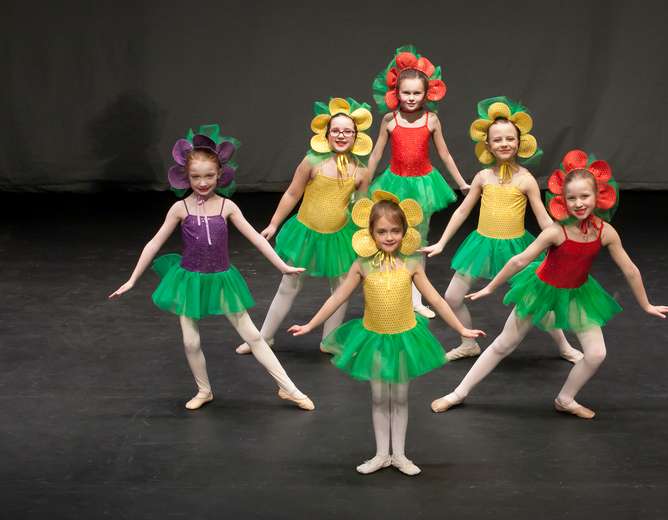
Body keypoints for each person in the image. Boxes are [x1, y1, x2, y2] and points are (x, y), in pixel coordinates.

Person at [431, 150, 668, 419]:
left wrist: (646, 304)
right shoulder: (556, 232)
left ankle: (565, 398)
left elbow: (630, 270)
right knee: (503, 345)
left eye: (584, 196)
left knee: (595, 354)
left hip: (577, 293)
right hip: (540, 289)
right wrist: (491, 287)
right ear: (563, 201)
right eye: (572, 198)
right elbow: (519, 261)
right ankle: (458, 393)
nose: (579, 203)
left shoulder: (606, 233)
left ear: (598, 197)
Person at [110, 125, 314, 411]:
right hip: (189, 280)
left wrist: (282, 266)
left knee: (253, 336)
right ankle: (204, 390)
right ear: (186, 177)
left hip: (221, 279)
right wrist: (133, 279)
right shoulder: (180, 209)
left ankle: (289, 388)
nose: (203, 183)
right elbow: (154, 244)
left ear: (220, 175)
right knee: (191, 343)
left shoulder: (227, 207)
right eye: (196, 177)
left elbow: (256, 238)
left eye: (209, 176)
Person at [289, 191, 484, 474]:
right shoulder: (362, 265)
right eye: (382, 231)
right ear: (371, 233)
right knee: (380, 398)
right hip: (374, 340)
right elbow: (337, 298)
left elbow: (438, 300)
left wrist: (461, 328)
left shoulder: (412, 264)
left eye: (395, 230)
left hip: (405, 338)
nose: (389, 237)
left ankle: (400, 455)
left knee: (401, 397)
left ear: (405, 232)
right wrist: (311, 324)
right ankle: (382, 454)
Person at [421, 97, 581, 363]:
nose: (504, 144)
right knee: (452, 296)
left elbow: (542, 217)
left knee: (535, 300)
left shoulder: (526, 179)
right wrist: (442, 242)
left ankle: (564, 346)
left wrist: (561, 243)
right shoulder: (483, 178)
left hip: (516, 248)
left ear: (520, 142)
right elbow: (462, 211)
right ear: (488, 145)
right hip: (482, 245)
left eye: (510, 138)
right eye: (498, 140)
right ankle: (468, 342)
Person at [235, 98, 373, 354]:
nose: (341, 135)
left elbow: (361, 207)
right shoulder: (312, 161)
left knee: (341, 287)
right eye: (336, 131)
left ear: (356, 136)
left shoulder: (361, 172)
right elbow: (292, 194)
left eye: (347, 131)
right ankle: (264, 337)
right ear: (326, 134)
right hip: (306, 233)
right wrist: (274, 223)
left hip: (338, 236)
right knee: (290, 283)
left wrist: (366, 236)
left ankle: (330, 340)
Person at [367, 45, 470, 318]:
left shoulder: (431, 119)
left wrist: (461, 182)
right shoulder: (390, 120)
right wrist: (363, 184)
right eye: (406, 93)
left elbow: (445, 154)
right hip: (395, 183)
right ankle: (390, 291)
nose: (411, 98)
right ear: (396, 93)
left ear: (426, 94)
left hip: (423, 186)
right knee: (392, 236)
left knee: (418, 240)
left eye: (416, 93)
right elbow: (377, 153)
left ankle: (416, 300)